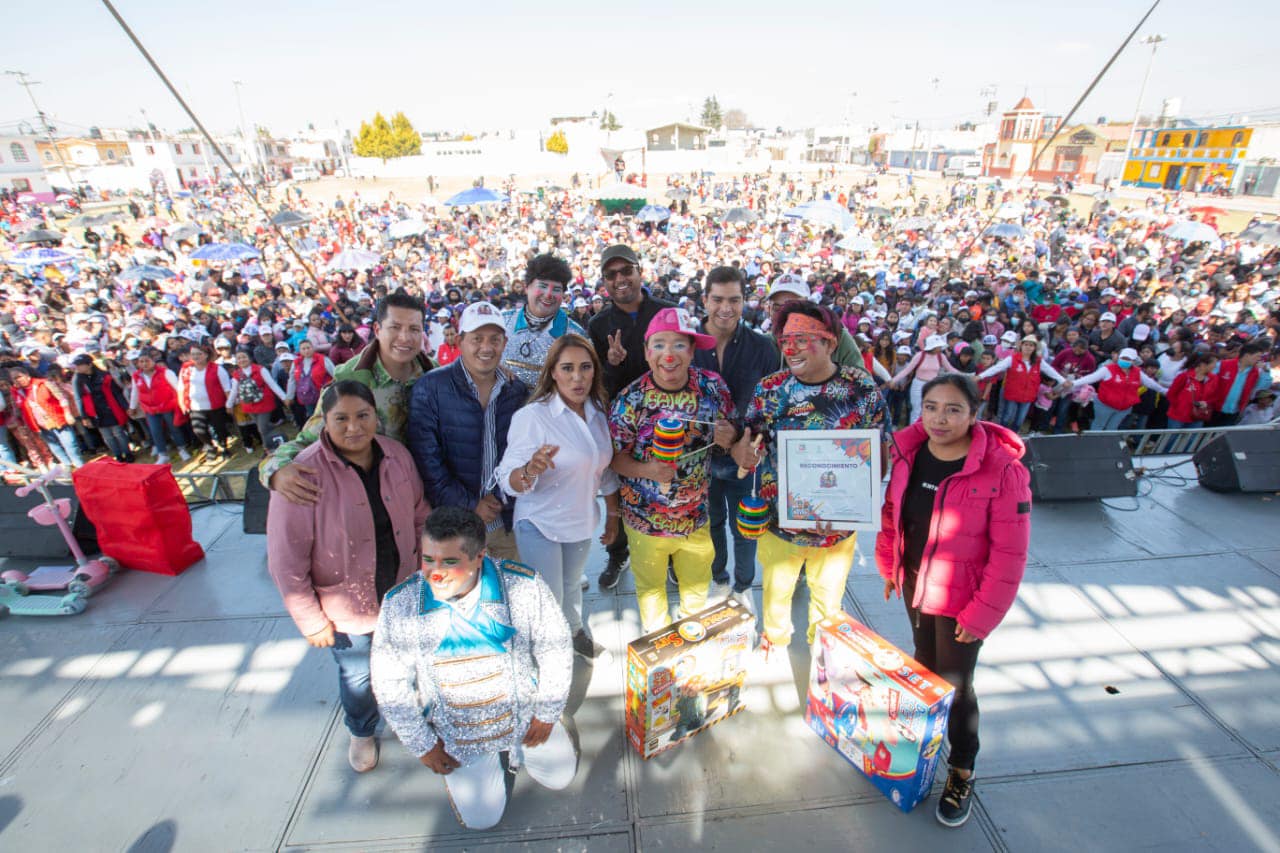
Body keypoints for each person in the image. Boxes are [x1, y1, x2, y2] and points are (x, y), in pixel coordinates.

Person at [876, 374, 1031, 828]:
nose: (939, 419)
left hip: (964, 601)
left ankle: (962, 769)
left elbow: (1010, 554)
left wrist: (981, 615)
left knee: (956, 684)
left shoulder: (1004, 470)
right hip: (915, 585)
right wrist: (890, 565)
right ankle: (921, 749)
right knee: (924, 668)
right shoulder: (909, 452)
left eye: (953, 409)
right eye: (930, 407)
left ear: (975, 414)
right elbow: (894, 513)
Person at [369, 506, 575, 832]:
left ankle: (550, 732)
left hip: (524, 715)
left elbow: (556, 649)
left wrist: (547, 711)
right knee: (482, 820)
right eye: (428, 560)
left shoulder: (523, 585)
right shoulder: (400, 604)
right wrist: (423, 745)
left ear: (480, 557)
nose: (435, 574)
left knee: (560, 777)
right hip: (458, 734)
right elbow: (388, 683)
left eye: (450, 562)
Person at [267, 381, 429, 774]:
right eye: (341, 418)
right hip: (347, 607)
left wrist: (429, 569)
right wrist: (311, 620)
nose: (354, 427)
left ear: (376, 416)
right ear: (324, 421)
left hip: (402, 589)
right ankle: (362, 729)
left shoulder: (397, 456)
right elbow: (286, 560)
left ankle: (407, 713)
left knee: (404, 660)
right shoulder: (302, 474)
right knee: (358, 675)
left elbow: (420, 512)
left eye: (362, 416)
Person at [732, 301, 887, 654]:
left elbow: (879, 452)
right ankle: (774, 639)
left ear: (831, 343)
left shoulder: (860, 387)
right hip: (780, 522)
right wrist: (744, 452)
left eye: (803, 339)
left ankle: (824, 651)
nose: (790, 348)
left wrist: (856, 506)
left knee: (829, 596)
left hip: (838, 526)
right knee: (776, 590)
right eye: (785, 339)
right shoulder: (770, 388)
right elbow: (749, 442)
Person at [609, 307, 735, 635]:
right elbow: (612, 458)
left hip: (695, 517)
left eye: (679, 345)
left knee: (696, 590)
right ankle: (660, 654)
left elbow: (731, 436)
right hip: (643, 522)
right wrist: (648, 470)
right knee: (651, 596)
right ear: (648, 352)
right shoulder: (629, 399)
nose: (669, 354)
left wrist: (730, 438)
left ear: (692, 351)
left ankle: (693, 644)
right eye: (660, 345)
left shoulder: (713, 387)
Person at [495, 334, 620, 659]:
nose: (577, 377)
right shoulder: (533, 417)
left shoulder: (597, 412)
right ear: (553, 372)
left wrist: (613, 513)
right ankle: (548, 664)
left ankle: (575, 631)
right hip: (540, 524)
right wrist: (529, 469)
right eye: (567, 368)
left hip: (580, 522)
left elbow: (602, 469)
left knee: (571, 586)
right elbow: (507, 476)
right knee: (547, 602)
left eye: (584, 367)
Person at [263, 292, 434, 505]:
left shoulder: (435, 376)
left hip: (429, 494)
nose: (405, 338)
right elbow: (308, 439)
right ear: (378, 330)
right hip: (374, 499)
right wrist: (275, 469)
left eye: (414, 329)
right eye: (395, 327)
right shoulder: (350, 380)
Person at [408, 301, 528, 562]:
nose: (486, 347)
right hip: (454, 528)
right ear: (460, 341)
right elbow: (428, 463)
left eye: (494, 339)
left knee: (511, 594)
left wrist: (499, 498)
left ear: (505, 342)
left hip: (505, 523)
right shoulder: (430, 388)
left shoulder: (515, 390)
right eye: (477, 339)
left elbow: (520, 451)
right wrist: (471, 504)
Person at [587, 244, 674, 590]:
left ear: (640, 272)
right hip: (623, 426)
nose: (620, 279)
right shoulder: (597, 324)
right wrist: (611, 364)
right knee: (621, 494)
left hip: (669, 419)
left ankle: (670, 557)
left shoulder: (667, 312)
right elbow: (596, 384)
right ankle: (618, 553)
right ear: (604, 283)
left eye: (626, 271)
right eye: (612, 275)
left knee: (670, 488)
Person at [692, 266, 779, 607]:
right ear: (705, 300)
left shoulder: (762, 347)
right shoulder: (688, 343)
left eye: (734, 300)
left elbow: (771, 402)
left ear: (745, 301)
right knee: (711, 523)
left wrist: (746, 439)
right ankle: (718, 578)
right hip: (701, 458)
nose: (725, 308)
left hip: (746, 457)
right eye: (717, 299)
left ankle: (744, 587)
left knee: (746, 526)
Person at [501, 254, 587, 386]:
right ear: (527, 287)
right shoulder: (501, 323)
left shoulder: (576, 335)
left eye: (556, 289)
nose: (548, 295)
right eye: (543, 286)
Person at [976, 335, 1069, 432]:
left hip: (1028, 396)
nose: (1028, 347)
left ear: (1035, 348)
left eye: (1031, 345)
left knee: (1019, 421)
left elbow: (1050, 371)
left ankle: (1014, 436)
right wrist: (980, 376)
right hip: (1012, 394)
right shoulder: (1012, 359)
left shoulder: (1038, 361)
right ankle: (1001, 433)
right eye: (1026, 344)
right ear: (1021, 346)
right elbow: (996, 368)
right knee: (1007, 417)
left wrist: (1063, 381)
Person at [8, 363, 84, 468]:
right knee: (54, 446)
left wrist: (67, 413)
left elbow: (61, 397)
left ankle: (79, 464)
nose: (17, 380)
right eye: (14, 379)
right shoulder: (15, 392)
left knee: (70, 443)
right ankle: (67, 465)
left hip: (57, 418)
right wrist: (20, 424)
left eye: (19, 377)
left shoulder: (44, 383)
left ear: (27, 375)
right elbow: (16, 410)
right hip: (38, 424)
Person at [1073, 347, 1169, 431]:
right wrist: (1073, 383)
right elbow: (1091, 378)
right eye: (1123, 358)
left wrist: (1164, 391)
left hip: (1124, 409)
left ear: (1133, 361)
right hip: (1105, 405)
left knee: (1112, 428)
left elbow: (1151, 383)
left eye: (1128, 359)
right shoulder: (1108, 369)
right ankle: (1092, 444)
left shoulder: (1138, 372)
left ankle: (1106, 447)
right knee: (1098, 425)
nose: (1125, 361)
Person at [175, 344, 234, 461]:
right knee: (199, 430)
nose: (196, 357)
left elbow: (226, 388)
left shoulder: (217, 369)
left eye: (199, 354)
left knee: (219, 429)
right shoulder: (186, 368)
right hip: (195, 406)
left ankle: (224, 447)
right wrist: (182, 403)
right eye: (193, 354)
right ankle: (210, 447)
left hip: (215, 405)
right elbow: (181, 387)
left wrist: (229, 404)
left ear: (206, 355)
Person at [70, 354, 133, 463]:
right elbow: (78, 398)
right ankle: (118, 455)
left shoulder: (104, 375)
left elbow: (117, 392)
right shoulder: (77, 379)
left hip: (111, 407)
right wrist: (84, 416)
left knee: (118, 432)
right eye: (77, 365)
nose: (78, 368)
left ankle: (127, 452)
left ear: (89, 364)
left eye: (80, 365)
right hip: (95, 411)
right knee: (107, 435)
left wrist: (125, 406)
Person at [225, 347, 289, 455]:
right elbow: (234, 391)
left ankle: (267, 448)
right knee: (263, 427)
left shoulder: (260, 369)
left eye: (244, 357)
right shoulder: (237, 374)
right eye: (239, 358)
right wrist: (229, 404)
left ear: (249, 358)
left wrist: (284, 397)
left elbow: (272, 384)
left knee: (262, 428)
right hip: (249, 405)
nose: (242, 360)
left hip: (264, 403)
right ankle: (277, 435)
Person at [891, 334, 957, 423]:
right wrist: (893, 380)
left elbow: (951, 369)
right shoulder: (920, 355)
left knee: (929, 409)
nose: (940, 348)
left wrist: (966, 376)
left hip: (932, 386)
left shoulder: (941, 356)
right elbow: (907, 370)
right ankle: (913, 430)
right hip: (918, 384)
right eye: (938, 346)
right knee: (916, 409)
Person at [1211, 340, 1270, 426]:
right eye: (1257, 356)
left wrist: (1266, 372)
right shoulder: (1224, 365)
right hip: (1214, 408)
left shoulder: (1255, 372)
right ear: (1246, 355)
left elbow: (1261, 388)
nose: (1259, 359)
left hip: (1234, 411)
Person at [286, 340, 335, 429]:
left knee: (327, 415)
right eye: (303, 349)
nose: (306, 351)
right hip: (306, 396)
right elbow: (292, 380)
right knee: (314, 417)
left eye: (308, 348)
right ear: (300, 350)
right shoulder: (296, 362)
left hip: (323, 395)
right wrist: (289, 396)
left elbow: (335, 374)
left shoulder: (323, 359)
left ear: (313, 348)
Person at [1165, 351, 1221, 429]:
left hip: (1198, 416)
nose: (1215, 366)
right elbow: (1171, 394)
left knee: (1191, 440)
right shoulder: (1184, 376)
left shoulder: (1213, 378)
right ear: (1203, 364)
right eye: (1214, 363)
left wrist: (1206, 403)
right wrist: (1179, 406)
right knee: (1171, 439)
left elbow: (1214, 396)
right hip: (1178, 416)